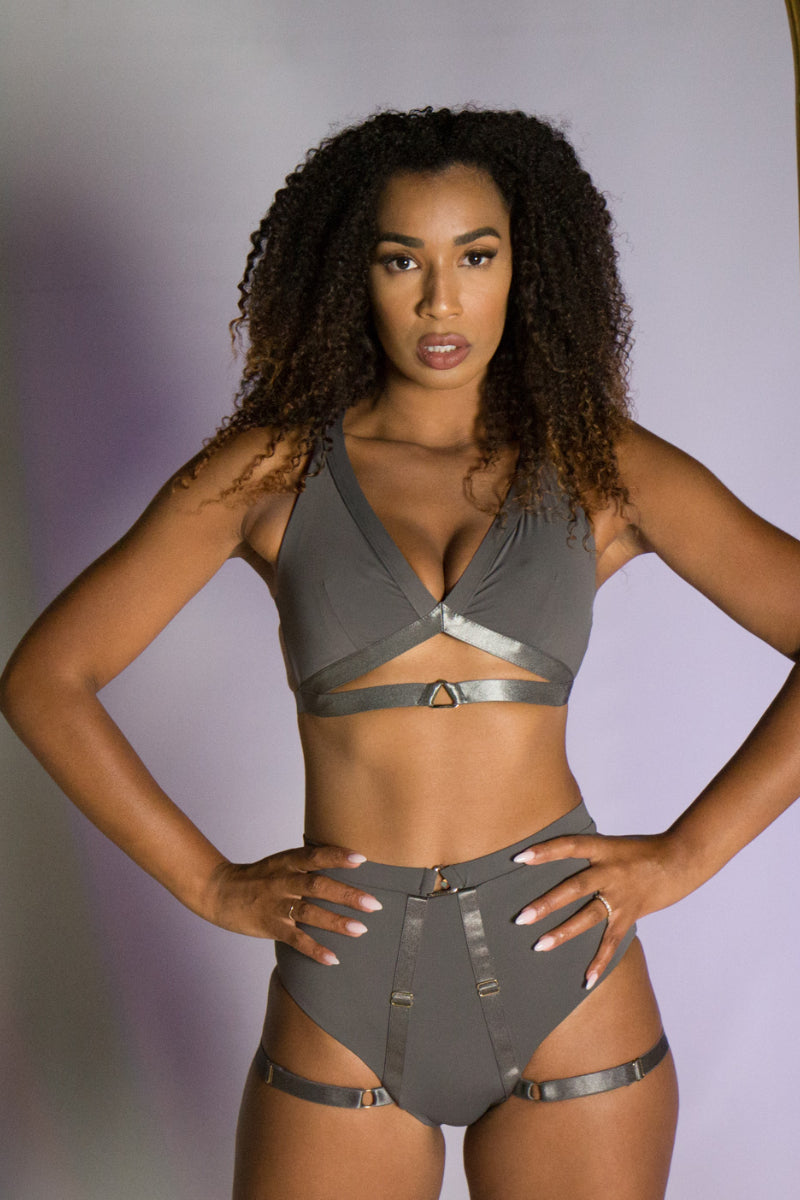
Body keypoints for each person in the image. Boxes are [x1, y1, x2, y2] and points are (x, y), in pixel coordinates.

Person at [2, 105, 799, 1200]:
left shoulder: (597, 465)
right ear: (354, 275)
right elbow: (46, 679)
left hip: (566, 983)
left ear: (525, 268)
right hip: (342, 987)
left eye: (475, 256)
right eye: (400, 260)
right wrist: (211, 885)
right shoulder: (270, 469)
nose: (439, 301)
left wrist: (682, 857)